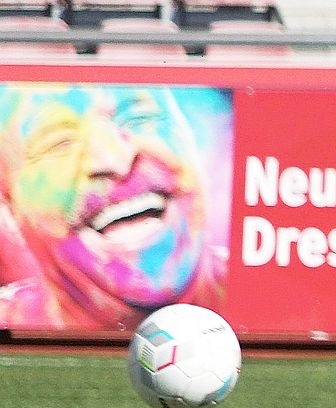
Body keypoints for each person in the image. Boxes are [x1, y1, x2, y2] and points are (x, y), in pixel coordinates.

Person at [0, 85, 228, 329]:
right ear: (9, 203)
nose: (116, 161)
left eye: (139, 118)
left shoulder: (257, 290)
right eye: (60, 143)